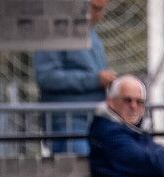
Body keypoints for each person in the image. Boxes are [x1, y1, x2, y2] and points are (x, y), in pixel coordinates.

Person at [33, 0, 116, 155]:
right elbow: (46, 76)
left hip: (95, 120)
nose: (100, 16)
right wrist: (95, 80)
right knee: (78, 169)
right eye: (96, 9)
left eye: (103, 10)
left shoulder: (94, 37)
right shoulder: (54, 32)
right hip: (67, 122)